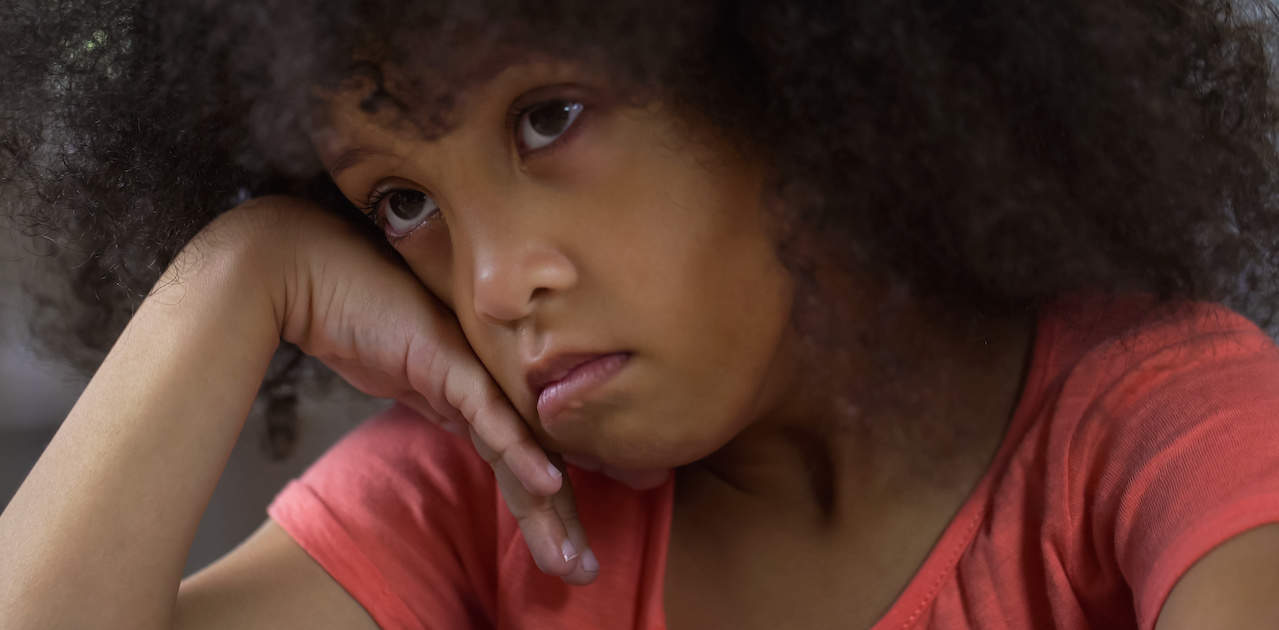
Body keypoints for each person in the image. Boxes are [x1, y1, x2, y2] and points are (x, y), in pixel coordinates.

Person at [3, 1, 1279, 628]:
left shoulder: (1162, 436)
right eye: (400, 200)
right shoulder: (486, 510)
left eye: (547, 117)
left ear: (788, 60)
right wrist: (241, 274)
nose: (494, 285)